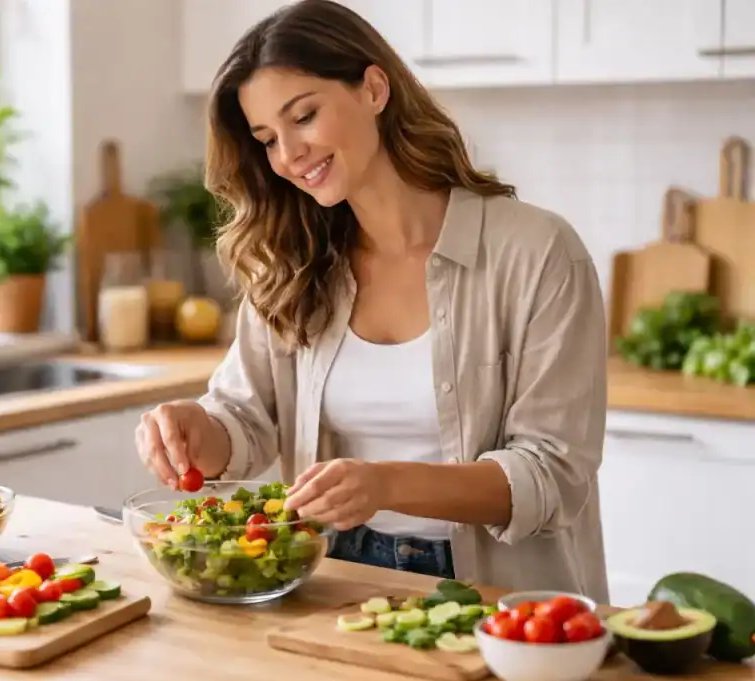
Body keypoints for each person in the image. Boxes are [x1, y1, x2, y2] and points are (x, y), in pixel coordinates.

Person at [135, 0, 609, 601]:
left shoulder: (537, 252)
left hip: (499, 594)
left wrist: (384, 485)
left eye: (303, 116)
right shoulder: (292, 258)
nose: (289, 155)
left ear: (374, 89)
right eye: (267, 140)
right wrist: (194, 429)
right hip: (334, 578)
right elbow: (247, 419)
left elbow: (553, 473)